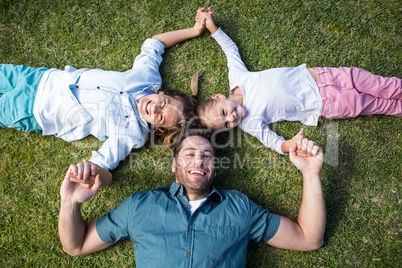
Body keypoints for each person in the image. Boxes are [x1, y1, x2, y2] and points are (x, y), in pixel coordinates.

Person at [58, 128, 326, 266]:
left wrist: (311, 173)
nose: (199, 160)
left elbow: (309, 239)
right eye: (189, 154)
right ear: (174, 166)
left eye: (207, 156)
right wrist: (70, 202)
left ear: (215, 168)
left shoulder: (239, 207)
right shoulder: (139, 206)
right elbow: (76, 246)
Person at [0, 12, 206, 186]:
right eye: (164, 103)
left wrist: (90, 173)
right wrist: (195, 30)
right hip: (42, 78)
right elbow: (155, 44)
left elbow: (103, 161)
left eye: (160, 117)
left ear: (157, 128)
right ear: (163, 93)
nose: (155, 108)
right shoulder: (147, 78)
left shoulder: (132, 134)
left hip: (36, 110)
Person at [195, 7, 401, 155]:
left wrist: (211, 26)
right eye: (228, 125)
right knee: (378, 104)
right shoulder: (249, 123)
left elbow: (230, 50)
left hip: (322, 75)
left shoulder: (237, 77)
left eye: (224, 112)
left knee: (382, 85)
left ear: (219, 96)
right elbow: (273, 142)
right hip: (327, 104)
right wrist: (289, 145)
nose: (232, 118)